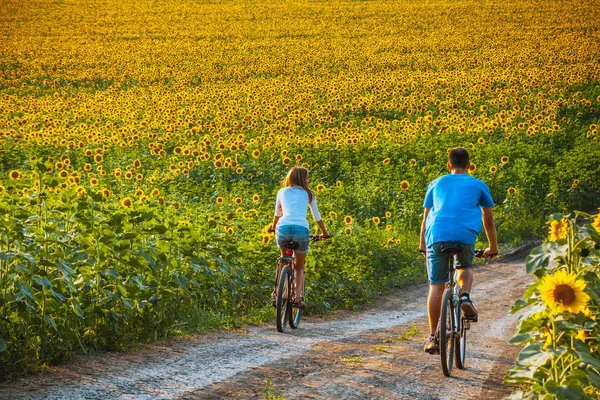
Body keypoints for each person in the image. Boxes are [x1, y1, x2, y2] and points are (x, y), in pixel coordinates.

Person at [419, 147, 498, 354]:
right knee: (464, 266)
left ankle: (433, 336)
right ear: (469, 165)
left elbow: (426, 218)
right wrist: (492, 247)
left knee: (436, 286)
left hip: (436, 236)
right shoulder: (479, 185)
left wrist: (422, 244)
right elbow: (488, 221)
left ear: (448, 165)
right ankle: (464, 296)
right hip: (465, 235)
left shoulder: (436, 183)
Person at [269, 166, 330, 309]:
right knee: (299, 266)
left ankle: (277, 292)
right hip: (301, 230)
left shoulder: (282, 191)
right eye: (307, 177)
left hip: (283, 228)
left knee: (283, 258)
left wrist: (273, 228)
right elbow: (317, 217)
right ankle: (297, 298)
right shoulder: (308, 194)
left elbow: (277, 214)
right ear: (302, 179)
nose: (308, 180)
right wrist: (324, 233)